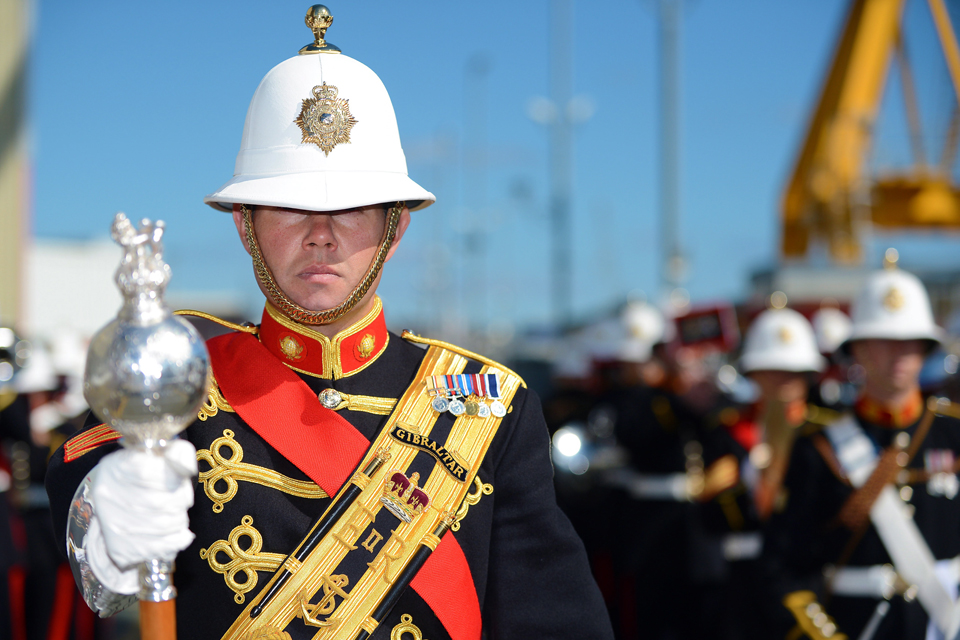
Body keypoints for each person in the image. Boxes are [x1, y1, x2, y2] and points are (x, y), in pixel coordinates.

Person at [45, 6, 614, 640]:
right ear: (245, 226)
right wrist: (107, 525)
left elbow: (553, 621)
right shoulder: (173, 384)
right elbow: (82, 506)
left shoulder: (488, 409)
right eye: (290, 208)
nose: (321, 235)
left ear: (394, 229)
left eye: (350, 209)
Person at [763, 258, 960, 640]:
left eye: (910, 342)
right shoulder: (818, 449)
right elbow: (784, 565)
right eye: (885, 341)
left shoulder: (953, 433)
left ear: (925, 350)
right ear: (858, 350)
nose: (899, 353)